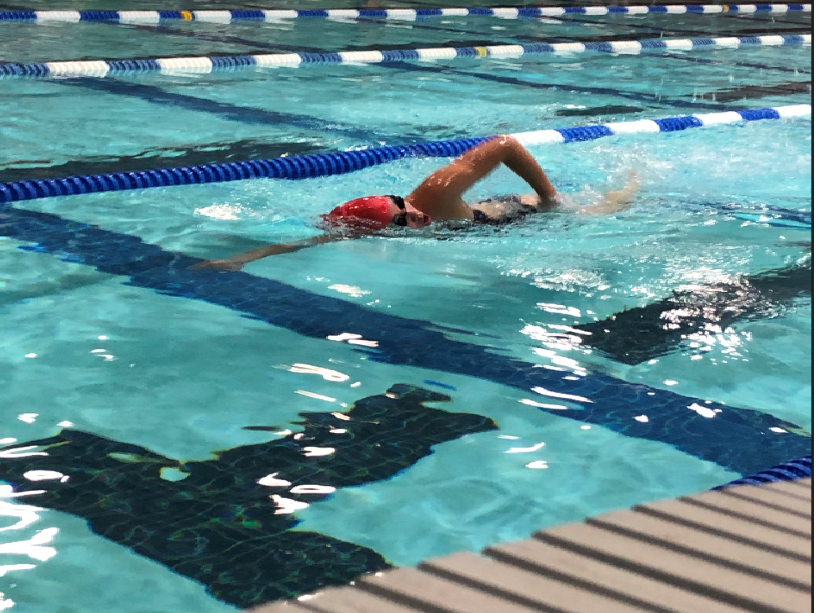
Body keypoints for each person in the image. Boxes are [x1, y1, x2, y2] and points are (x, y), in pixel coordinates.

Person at [193, 136, 638, 271]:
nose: (415, 215)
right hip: (494, 224)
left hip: (524, 213)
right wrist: (244, 257)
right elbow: (315, 240)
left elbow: (506, 145)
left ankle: (638, 177)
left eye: (400, 204)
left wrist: (549, 198)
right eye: (403, 222)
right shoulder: (370, 224)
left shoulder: (434, 193)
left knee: (616, 206)